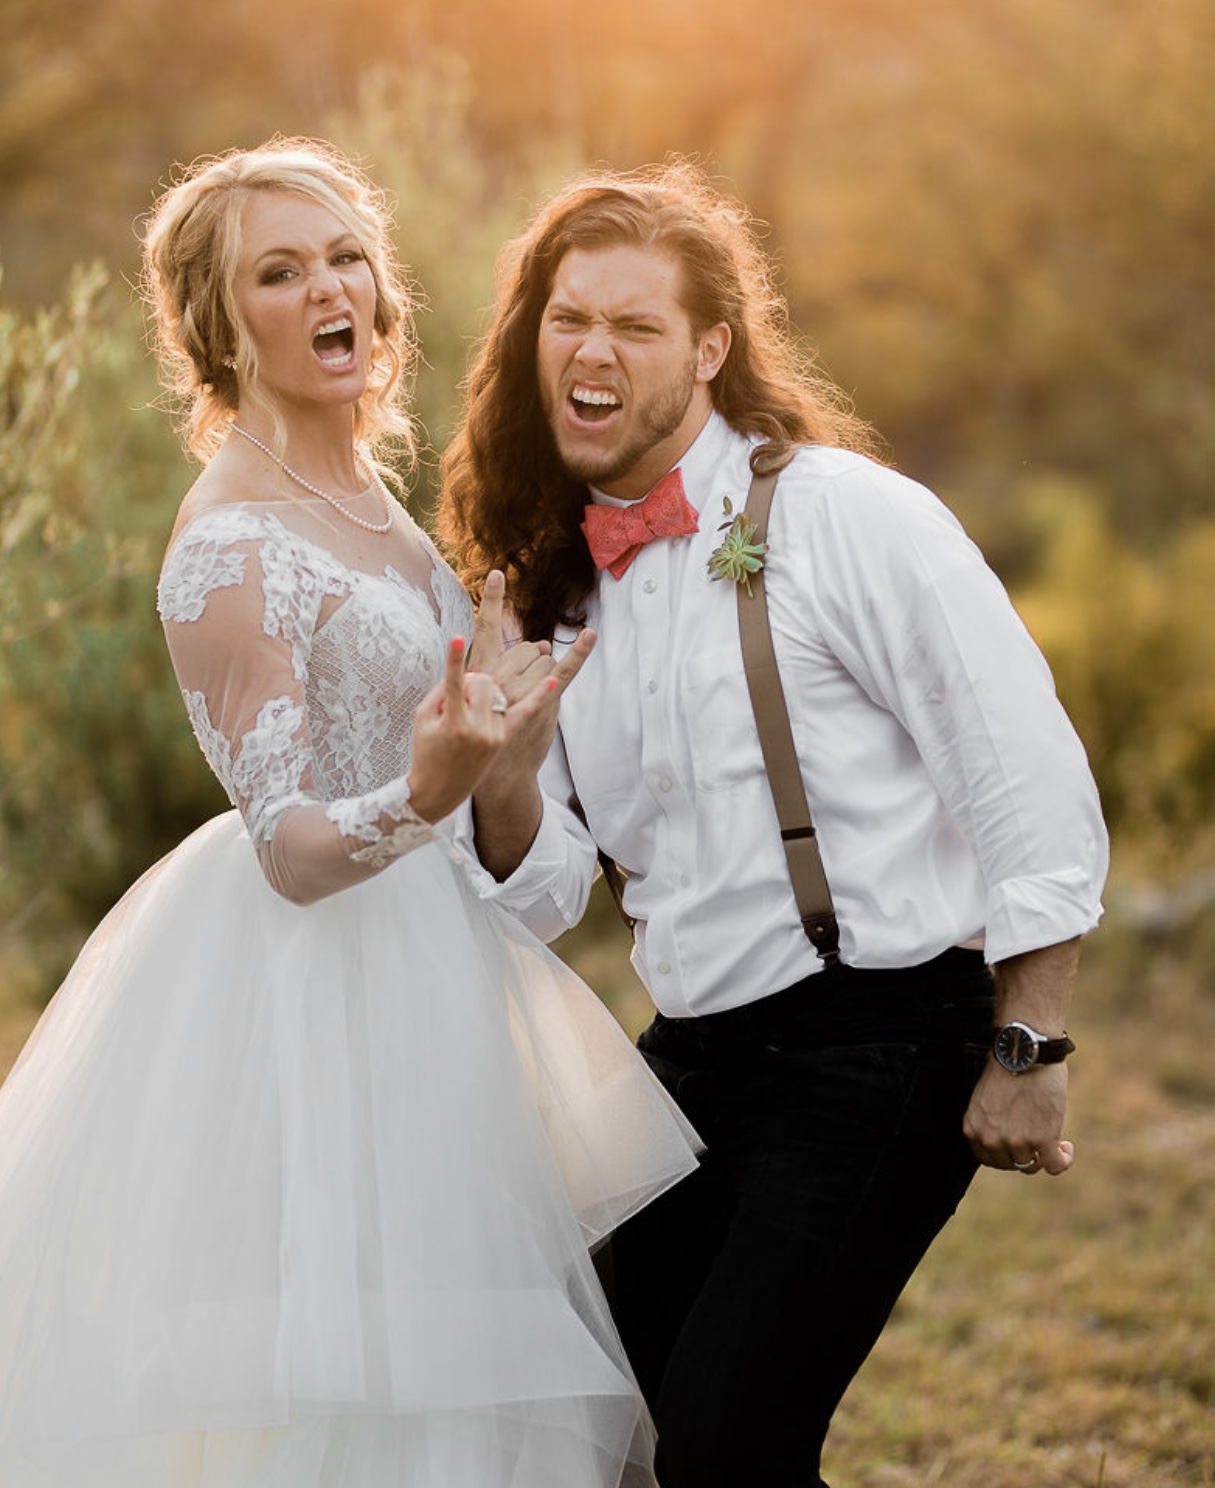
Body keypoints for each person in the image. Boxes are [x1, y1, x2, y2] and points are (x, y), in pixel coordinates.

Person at [0, 138, 703, 1488]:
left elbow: (468, 789)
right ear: (219, 328)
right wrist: (427, 789)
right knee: (332, 1381)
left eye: (344, 258)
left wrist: (501, 751)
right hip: (304, 1006)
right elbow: (290, 850)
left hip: (438, 979)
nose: (330, 288)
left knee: (464, 1351)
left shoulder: (378, 504)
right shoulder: (226, 544)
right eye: (279, 272)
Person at [437, 159, 1110, 1488]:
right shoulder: (550, 585)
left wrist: (1030, 1040)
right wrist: (502, 771)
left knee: (726, 1447)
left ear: (712, 350)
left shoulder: (844, 516)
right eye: (569, 319)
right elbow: (551, 890)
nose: (593, 350)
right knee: (593, 1430)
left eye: (635, 325)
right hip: (690, 1053)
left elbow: (1022, 771)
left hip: (879, 1038)